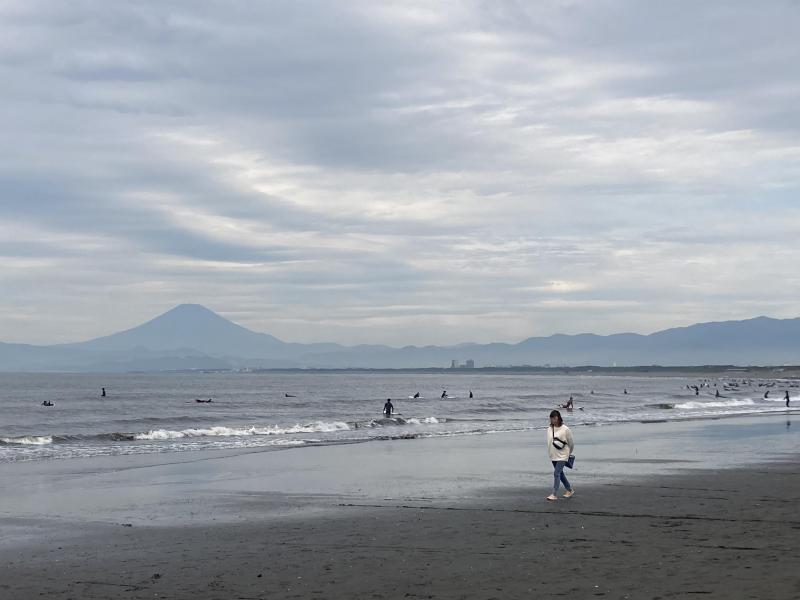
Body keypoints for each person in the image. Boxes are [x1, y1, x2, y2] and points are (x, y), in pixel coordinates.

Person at [546, 410, 574, 501]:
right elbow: (549, 442)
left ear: (558, 418)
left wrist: (568, 454)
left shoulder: (565, 429)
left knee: (556, 473)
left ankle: (554, 494)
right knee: (560, 474)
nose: (552, 420)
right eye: (551, 419)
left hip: (563, 455)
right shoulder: (549, 429)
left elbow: (571, 443)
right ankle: (569, 490)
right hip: (553, 455)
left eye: (554, 418)